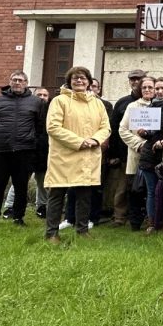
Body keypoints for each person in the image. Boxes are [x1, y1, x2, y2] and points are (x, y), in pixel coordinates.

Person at [44, 66, 111, 242]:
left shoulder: (97, 103)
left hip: (88, 155)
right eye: (75, 78)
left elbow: (106, 127)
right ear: (69, 82)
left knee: (84, 195)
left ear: (89, 82)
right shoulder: (59, 101)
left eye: (82, 78)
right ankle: (51, 233)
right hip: (63, 156)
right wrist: (80, 142)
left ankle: (82, 231)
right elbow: (53, 127)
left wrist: (95, 140)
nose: (79, 81)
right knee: (57, 194)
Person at [0, 71, 47, 228]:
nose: (17, 82)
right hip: (1, 150)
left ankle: (18, 217)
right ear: (9, 82)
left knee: (21, 185)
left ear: (26, 83)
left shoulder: (36, 102)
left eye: (21, 80)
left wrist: (29, 138)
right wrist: (0, 137)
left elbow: (40, 126)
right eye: (14, 80)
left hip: (24, 150)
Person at [138, 76, 163, 234]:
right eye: (157, 89)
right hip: (150, 155)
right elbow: (149, 133)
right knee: (151, 192)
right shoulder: (149, 108)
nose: (160, 91)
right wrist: (143, 133)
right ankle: (152, 224)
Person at [105, 69, 146, 227]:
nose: (135, 82)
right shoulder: (122, 102)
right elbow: (114, 129)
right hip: (124, 152)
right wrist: (113, 153)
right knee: (123, 187)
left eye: (138, 79)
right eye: (132, 79)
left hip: (147, 152)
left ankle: (142, 217)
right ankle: (119, 217)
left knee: (144, 187)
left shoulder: (154, 101)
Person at [1, 87, 50, 219]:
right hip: (26, 152)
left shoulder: (52, 111)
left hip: (44, 153)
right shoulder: (26, 109)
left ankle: (42, 206)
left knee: (43, 182)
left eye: (45, 95)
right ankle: (10, 207)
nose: (42, 97)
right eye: (39, 94)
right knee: (19, 181)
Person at [118, 76, 156, 231]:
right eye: (144, 87)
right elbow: (123, 129)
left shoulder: (161, 106)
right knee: (136, 190)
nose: (147, 90)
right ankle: (135, 222)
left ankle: (151, 220)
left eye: (150, 87)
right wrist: (139, 144)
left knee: (153, 190)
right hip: (137, 153)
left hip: (155, 154)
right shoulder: (133, 106)